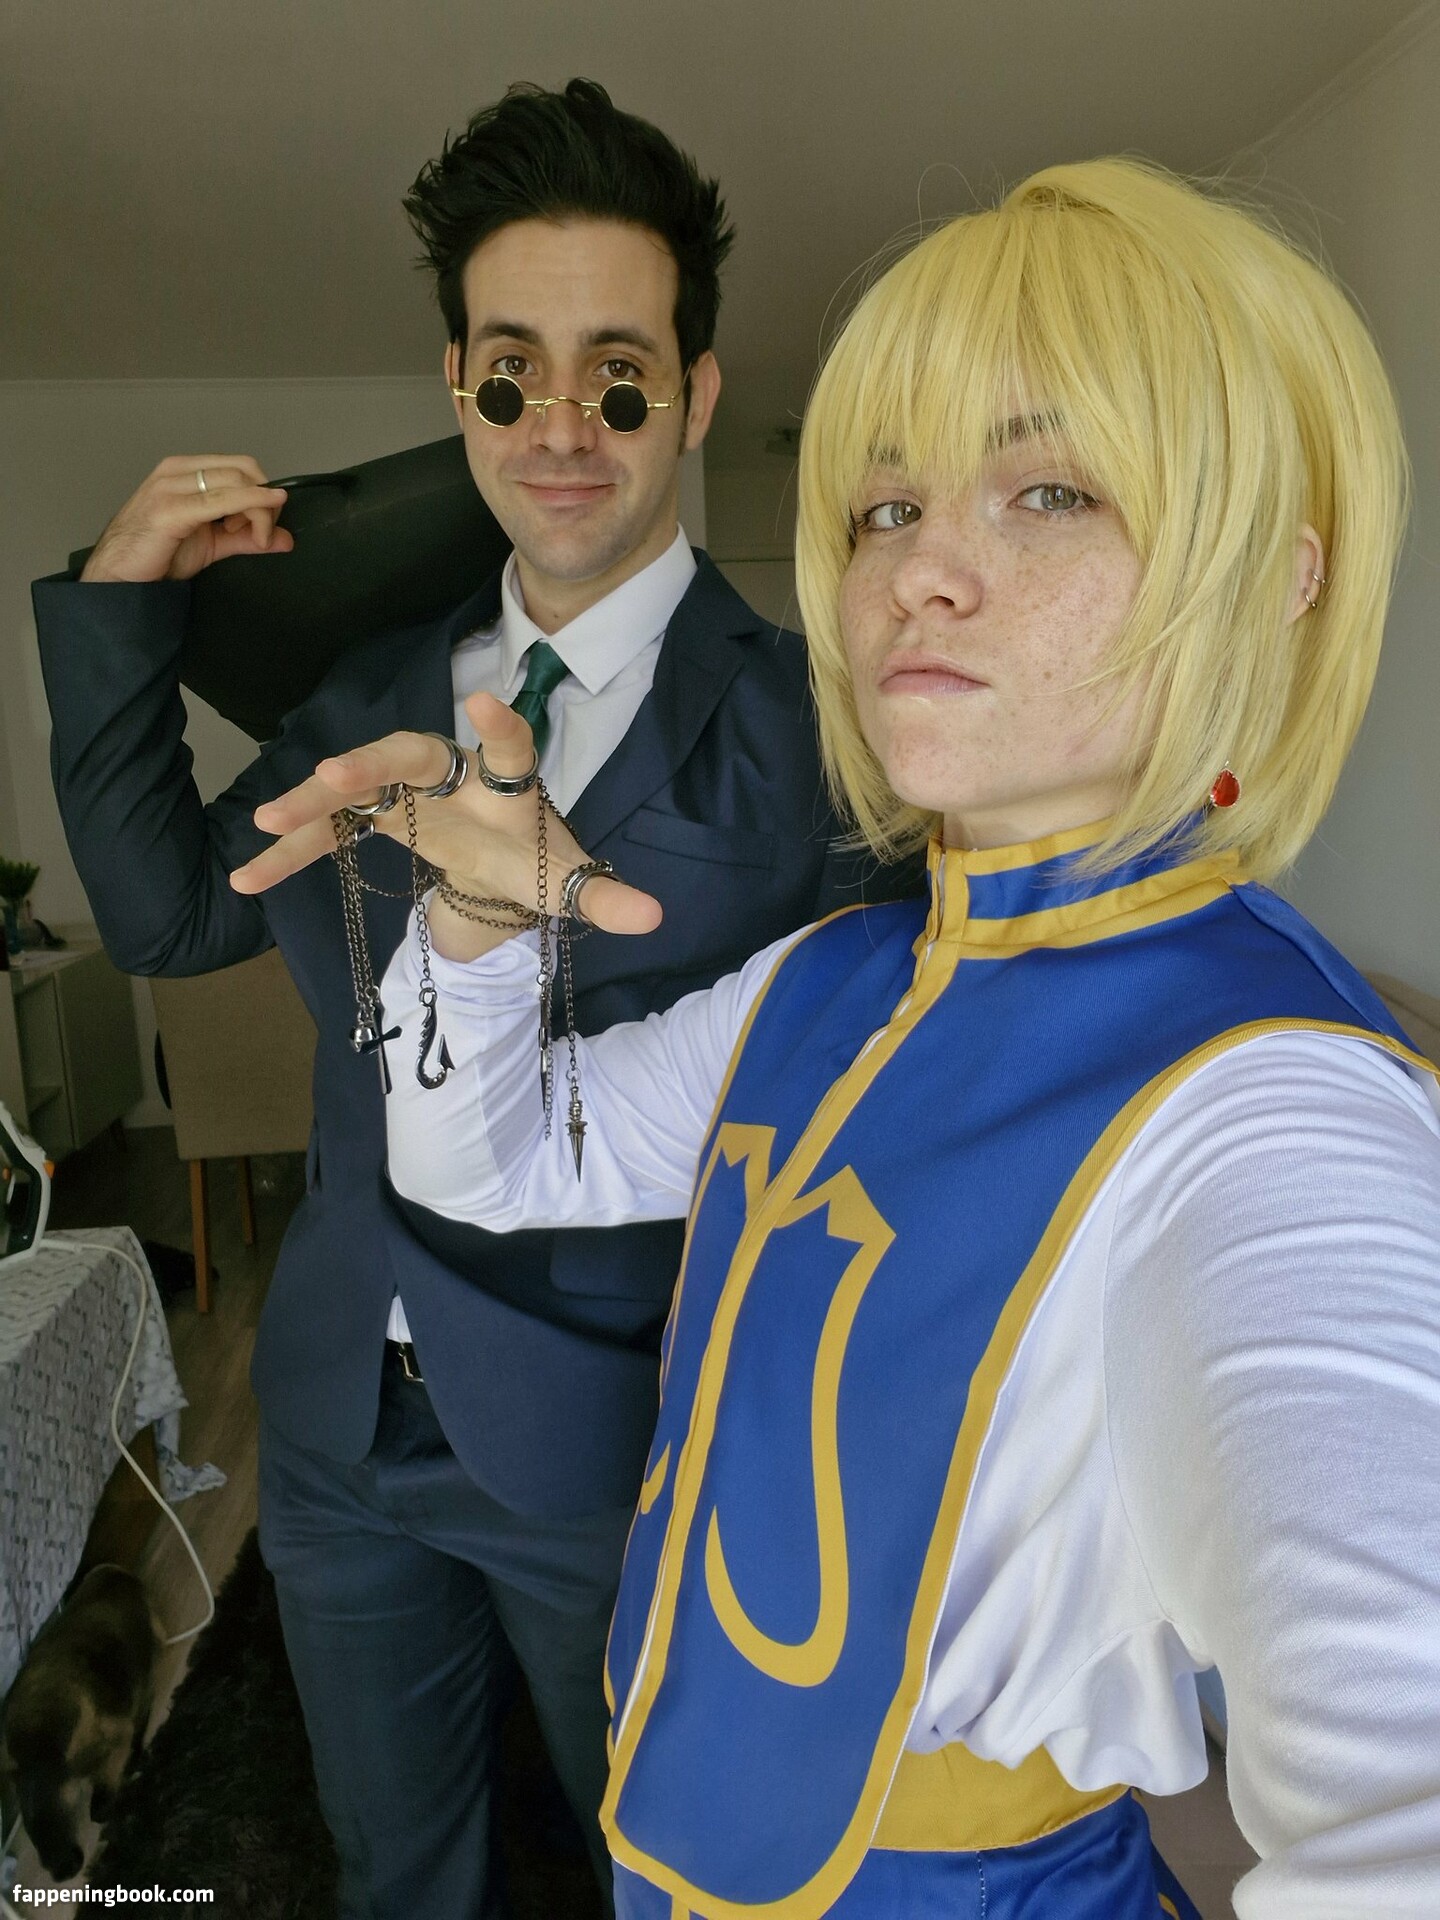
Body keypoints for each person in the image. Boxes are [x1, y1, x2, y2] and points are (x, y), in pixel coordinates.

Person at [242, 157, 1440, 1917]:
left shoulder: (1274, 1109)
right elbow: (492, 1163)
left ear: (1273, 579)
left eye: (1049, 490)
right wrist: (483, 928)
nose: (922, 573)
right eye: (886, 505)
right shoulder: (834, 981)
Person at [32, 80, 910, 1920]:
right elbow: (172, 916)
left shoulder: (821, 721)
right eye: (514, 376)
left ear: (697, 394)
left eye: (620, 376)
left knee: (666, 1866)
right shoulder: (369, 694)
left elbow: (866, 1090)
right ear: (457, 390)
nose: (563, 427)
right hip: (337, 1420)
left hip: (628, 1436)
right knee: (395, 1867)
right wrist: (118, 613)